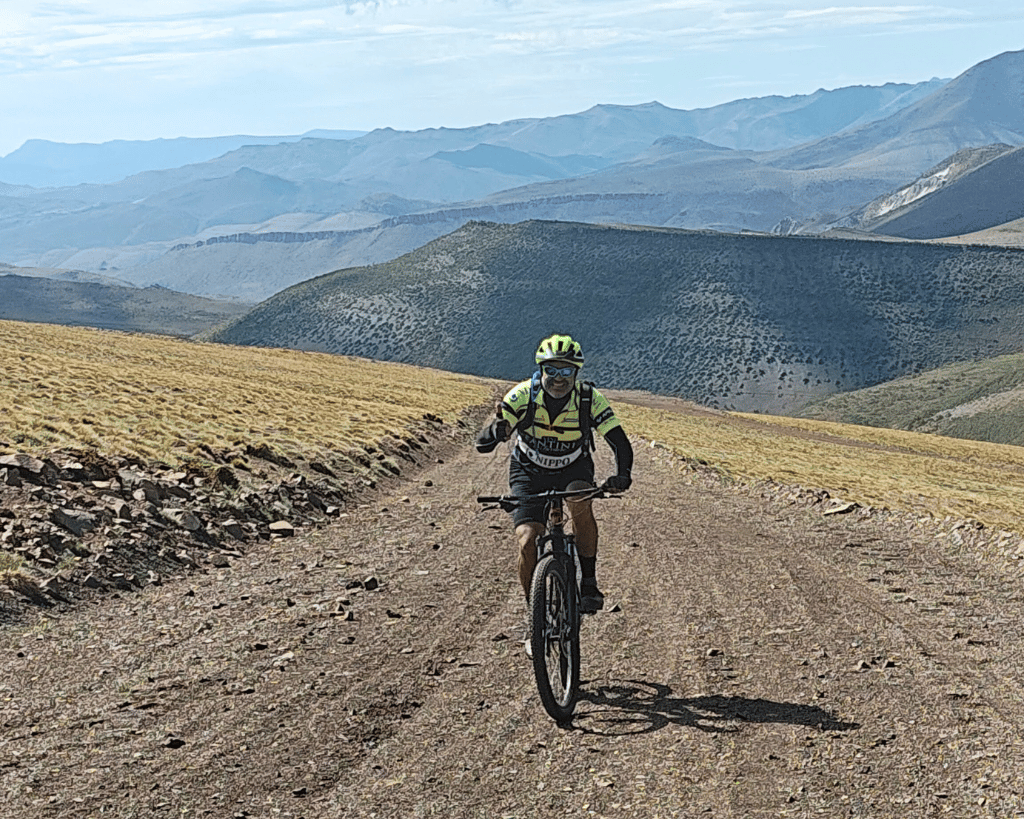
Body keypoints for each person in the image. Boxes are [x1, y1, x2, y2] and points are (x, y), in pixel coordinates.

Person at [476, 333, 634, 633]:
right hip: (528, 470)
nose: (559, 378)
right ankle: (535, 618)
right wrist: (497, 430)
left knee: (579, 501)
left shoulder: (588, 399)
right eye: (552, 370)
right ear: (541, 369)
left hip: (573, 467)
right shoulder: (522, 395)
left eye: (566, 371)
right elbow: (482, 443)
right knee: (526, 539)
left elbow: (619, 442)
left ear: (576, 372)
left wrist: (622, 474)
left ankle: (588, 581)